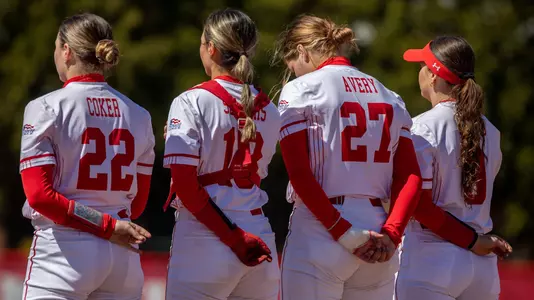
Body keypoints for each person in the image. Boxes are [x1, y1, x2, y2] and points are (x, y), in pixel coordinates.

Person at [272, 15, 422, 300]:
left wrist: (344, 233)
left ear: (302, 51)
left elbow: (300, 175)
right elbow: (411, 177)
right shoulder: (390, 95)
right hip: (379, 231)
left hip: (322, 227)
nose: (294, 73)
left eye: (293, 66)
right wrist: (393, 233)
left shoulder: (301, 89)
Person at [19, 13, 154, 300]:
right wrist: (110, 224)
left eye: (57, 47)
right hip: (123, 255)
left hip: (64, 252)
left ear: (66, 51)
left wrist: (104, 226)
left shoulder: (45, 107)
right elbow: (138, 201)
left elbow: (40, 196)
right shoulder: (140, 115)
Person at [163, 8, 281, 300]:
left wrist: (232, 237)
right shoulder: (271, 109)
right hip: (258, 231)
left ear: (211, 49)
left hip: (206, 237)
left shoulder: (191, 101)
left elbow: (188, 188)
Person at [395, 36, 512, 300]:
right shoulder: (491, 131)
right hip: (481, 266)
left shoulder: (422, 127)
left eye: (422, 65)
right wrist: (475, 241)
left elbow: (420, 206)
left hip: (432, 258)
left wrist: (471, 240)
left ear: (433, 76)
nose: (419, 72)